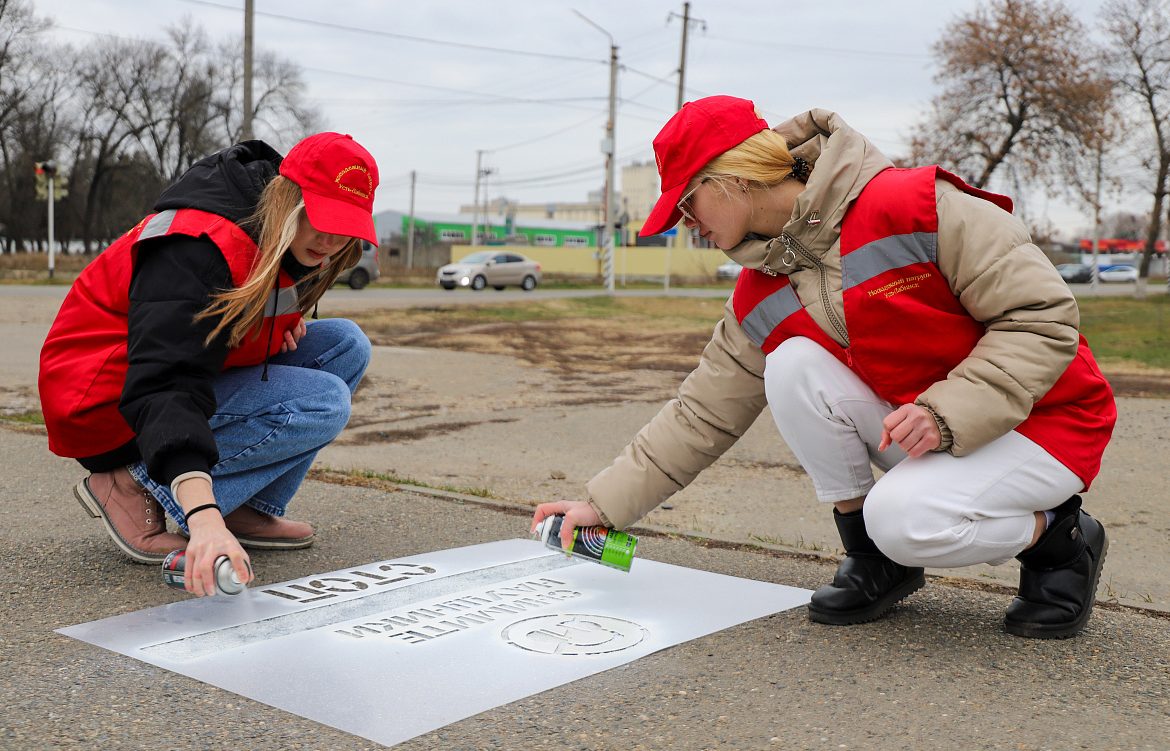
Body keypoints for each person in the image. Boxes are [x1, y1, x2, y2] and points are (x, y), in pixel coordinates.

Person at [531, 96, 1117, 639]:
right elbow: (700, 413)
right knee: (790, 364)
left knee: (904, 519)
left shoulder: (914, 205)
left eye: (688, 203)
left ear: (732, 179)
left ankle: (1060, 541)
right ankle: (874, 558)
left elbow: (1042, 317)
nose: (687, 224)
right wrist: (600, 507)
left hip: (1048, 424)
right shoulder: (759, 292)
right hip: (928, 429)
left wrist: (946, 411)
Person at [39, 132, 379, 597]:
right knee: (324, 400)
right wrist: (202, 517)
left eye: (346, 225)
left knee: (346, 344)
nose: (331, 239)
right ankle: (133, 484)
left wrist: (277, 328)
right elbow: (167, 377)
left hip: (162, 378)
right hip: (105, 397)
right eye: (319, 217)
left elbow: (220, 329)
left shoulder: (285, 241)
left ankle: (239, 503)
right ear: (286, 198)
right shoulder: (196, 243)